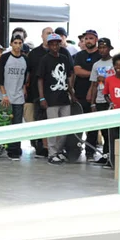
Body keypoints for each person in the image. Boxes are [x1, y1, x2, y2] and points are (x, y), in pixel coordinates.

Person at [39, 33, 75, 165]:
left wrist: (72, 93)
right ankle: (52, 153)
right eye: (52, 44)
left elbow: (68, 76)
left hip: (64, 97)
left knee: (65, 127)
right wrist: (42, 97)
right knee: (52, 127)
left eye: (57, 44)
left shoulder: (64, 58)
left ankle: (59, 151)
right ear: (48, 45)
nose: (55, 46)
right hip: (51, 99)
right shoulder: (45, 59)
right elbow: (40, 79)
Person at [0, 34, 28, 160]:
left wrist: (24, 88)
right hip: (4, 96)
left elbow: (25, 76)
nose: (18, 45)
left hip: (18, 97)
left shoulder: (25, 59)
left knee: (16, 125)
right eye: (15, 43)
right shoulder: (5, 57)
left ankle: (14, 150)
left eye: (20, 43)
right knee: (1, 123)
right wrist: (4, 95)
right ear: (11, 44)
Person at [72, 29, 101, 163]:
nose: (88, 41)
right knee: (77, 124)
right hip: (79, 94)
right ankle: (75, 150)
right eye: (86, 38)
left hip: (96, 95)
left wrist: (91, 75)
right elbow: (77, 71)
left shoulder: (100, 55)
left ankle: (90, 151)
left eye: (91, 38)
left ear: (96, 40)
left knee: (93, 125)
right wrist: (93, 74)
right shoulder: (79, 55)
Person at [88, 38, 115, 164]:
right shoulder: (96, 65)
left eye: (105, 47)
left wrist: (106, 80)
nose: (102, 50)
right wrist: (92, 103)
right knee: (103, 130)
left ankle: (112, 156)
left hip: (112, 99)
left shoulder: (115, 62)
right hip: (100, 99)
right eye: (100, 47)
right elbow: (94, 85)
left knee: (112, 130)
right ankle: (105, 155)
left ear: (109, 48)